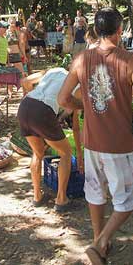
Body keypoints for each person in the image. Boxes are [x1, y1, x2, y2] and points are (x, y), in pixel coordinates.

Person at [57, 8, 133, 265]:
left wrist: (84, 107)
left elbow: (63, 99)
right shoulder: (130, 60)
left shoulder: (81, 59)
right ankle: (101, 241)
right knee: (129, 195)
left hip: (91, 141)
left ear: (95, 30)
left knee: (95, 192)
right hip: (119, 143)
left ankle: (97, 242)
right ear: (119, 30)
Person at [18, 68, 81, 211]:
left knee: (37, 152)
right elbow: (72, 110)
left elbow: (25, 81)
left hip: (25, 105)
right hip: (43, 111)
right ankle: (61, 199)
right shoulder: (76, 85)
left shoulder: (55, 70)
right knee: (65, 153)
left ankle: (37, 196)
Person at [6, 18, 26, 85]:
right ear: (8, 23)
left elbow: (21, 45)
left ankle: (24, 91)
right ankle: (10, 93)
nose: (13, 24)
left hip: (17, 54)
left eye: (14, 23)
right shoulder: (5, 33)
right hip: (9, 56)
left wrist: (24, 55)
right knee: (10, 75)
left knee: (22, 73)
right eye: (11, 23)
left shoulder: (17, 32)